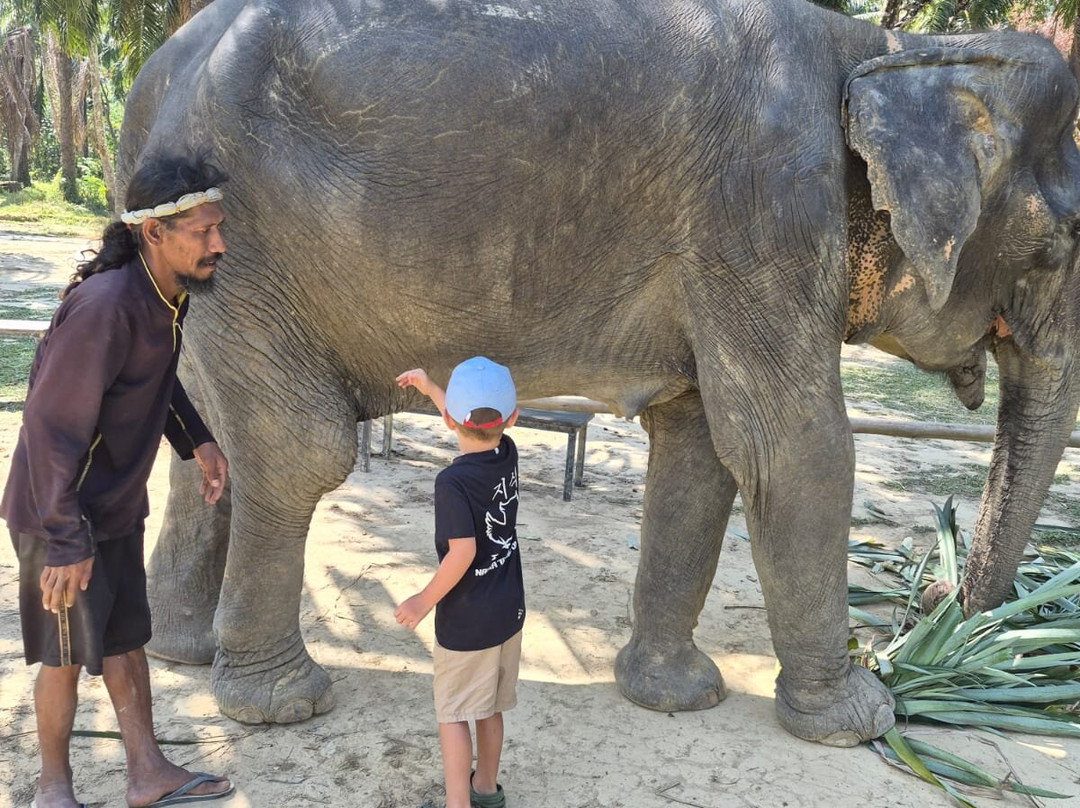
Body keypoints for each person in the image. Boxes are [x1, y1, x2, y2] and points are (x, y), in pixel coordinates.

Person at [1, 151, 235, 808]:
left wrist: (198, 440)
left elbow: (153, 380)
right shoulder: (106, 307)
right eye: (203, 231)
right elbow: (50, 427)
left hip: (112, 505)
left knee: (128, 636)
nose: (218, 243)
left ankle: (146, 771)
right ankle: (54, 789)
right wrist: (63, 541)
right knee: (65, 653)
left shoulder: (165, 296)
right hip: (62, 511)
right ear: (152, 233)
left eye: (219, 227)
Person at [395, 357, 526, 808]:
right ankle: (485, 788)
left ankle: (456, 804)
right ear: (511, 418)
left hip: (467, 620)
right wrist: (432, 387)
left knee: (453, 714)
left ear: (450, 419)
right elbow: (472, 417)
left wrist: (423, 600)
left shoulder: (452, 482)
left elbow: (463, 552)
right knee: (488, 707)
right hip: (508, 611)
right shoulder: (507, 452)